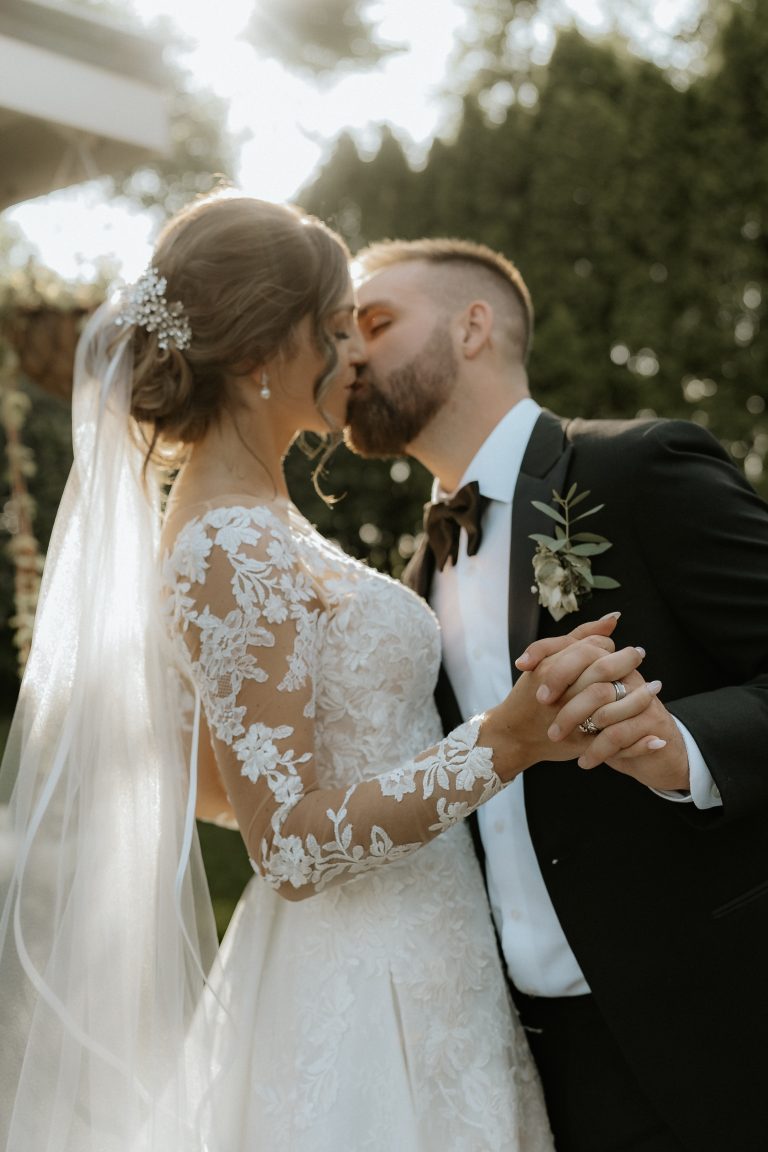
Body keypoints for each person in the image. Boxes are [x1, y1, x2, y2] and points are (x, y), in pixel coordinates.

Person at [0, 196, 665, 1152]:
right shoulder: (225, 541)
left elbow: (220, 788)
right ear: (269, 349)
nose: (357, 353)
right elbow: (290, 851)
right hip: (364, 987)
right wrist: (503, 742)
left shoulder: (257, 520)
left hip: (430, 957)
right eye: (338, 327)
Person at [346, 236, 768, 1152]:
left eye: (375, 323)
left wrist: (682, 747)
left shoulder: (638, 468)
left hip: (717, 1026)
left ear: (472, 327)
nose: (351, 353)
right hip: (531, 1064)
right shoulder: (409, 585)